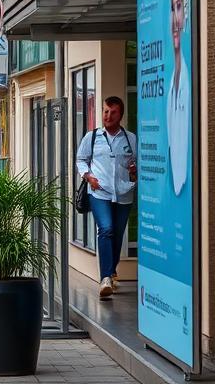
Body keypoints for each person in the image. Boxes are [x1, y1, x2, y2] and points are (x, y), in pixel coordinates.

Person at [75, 96, 137, 299]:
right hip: (99, 192)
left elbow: (137, 163)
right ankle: (105, 279)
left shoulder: (130, 139)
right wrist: (88, 176)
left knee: (117, 235)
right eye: (105, 111)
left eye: (113, 112)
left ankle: (111, 271)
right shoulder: (92, 137)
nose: (108, 116)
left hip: (124, 192)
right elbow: (81, 160)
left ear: (121, 115)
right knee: (107, 229)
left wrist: (134, 170)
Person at [168, 0, 190, 196]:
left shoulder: (190, 85)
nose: (175, 18)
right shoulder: (169, 90)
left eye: (179, 6)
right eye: (171, 9)